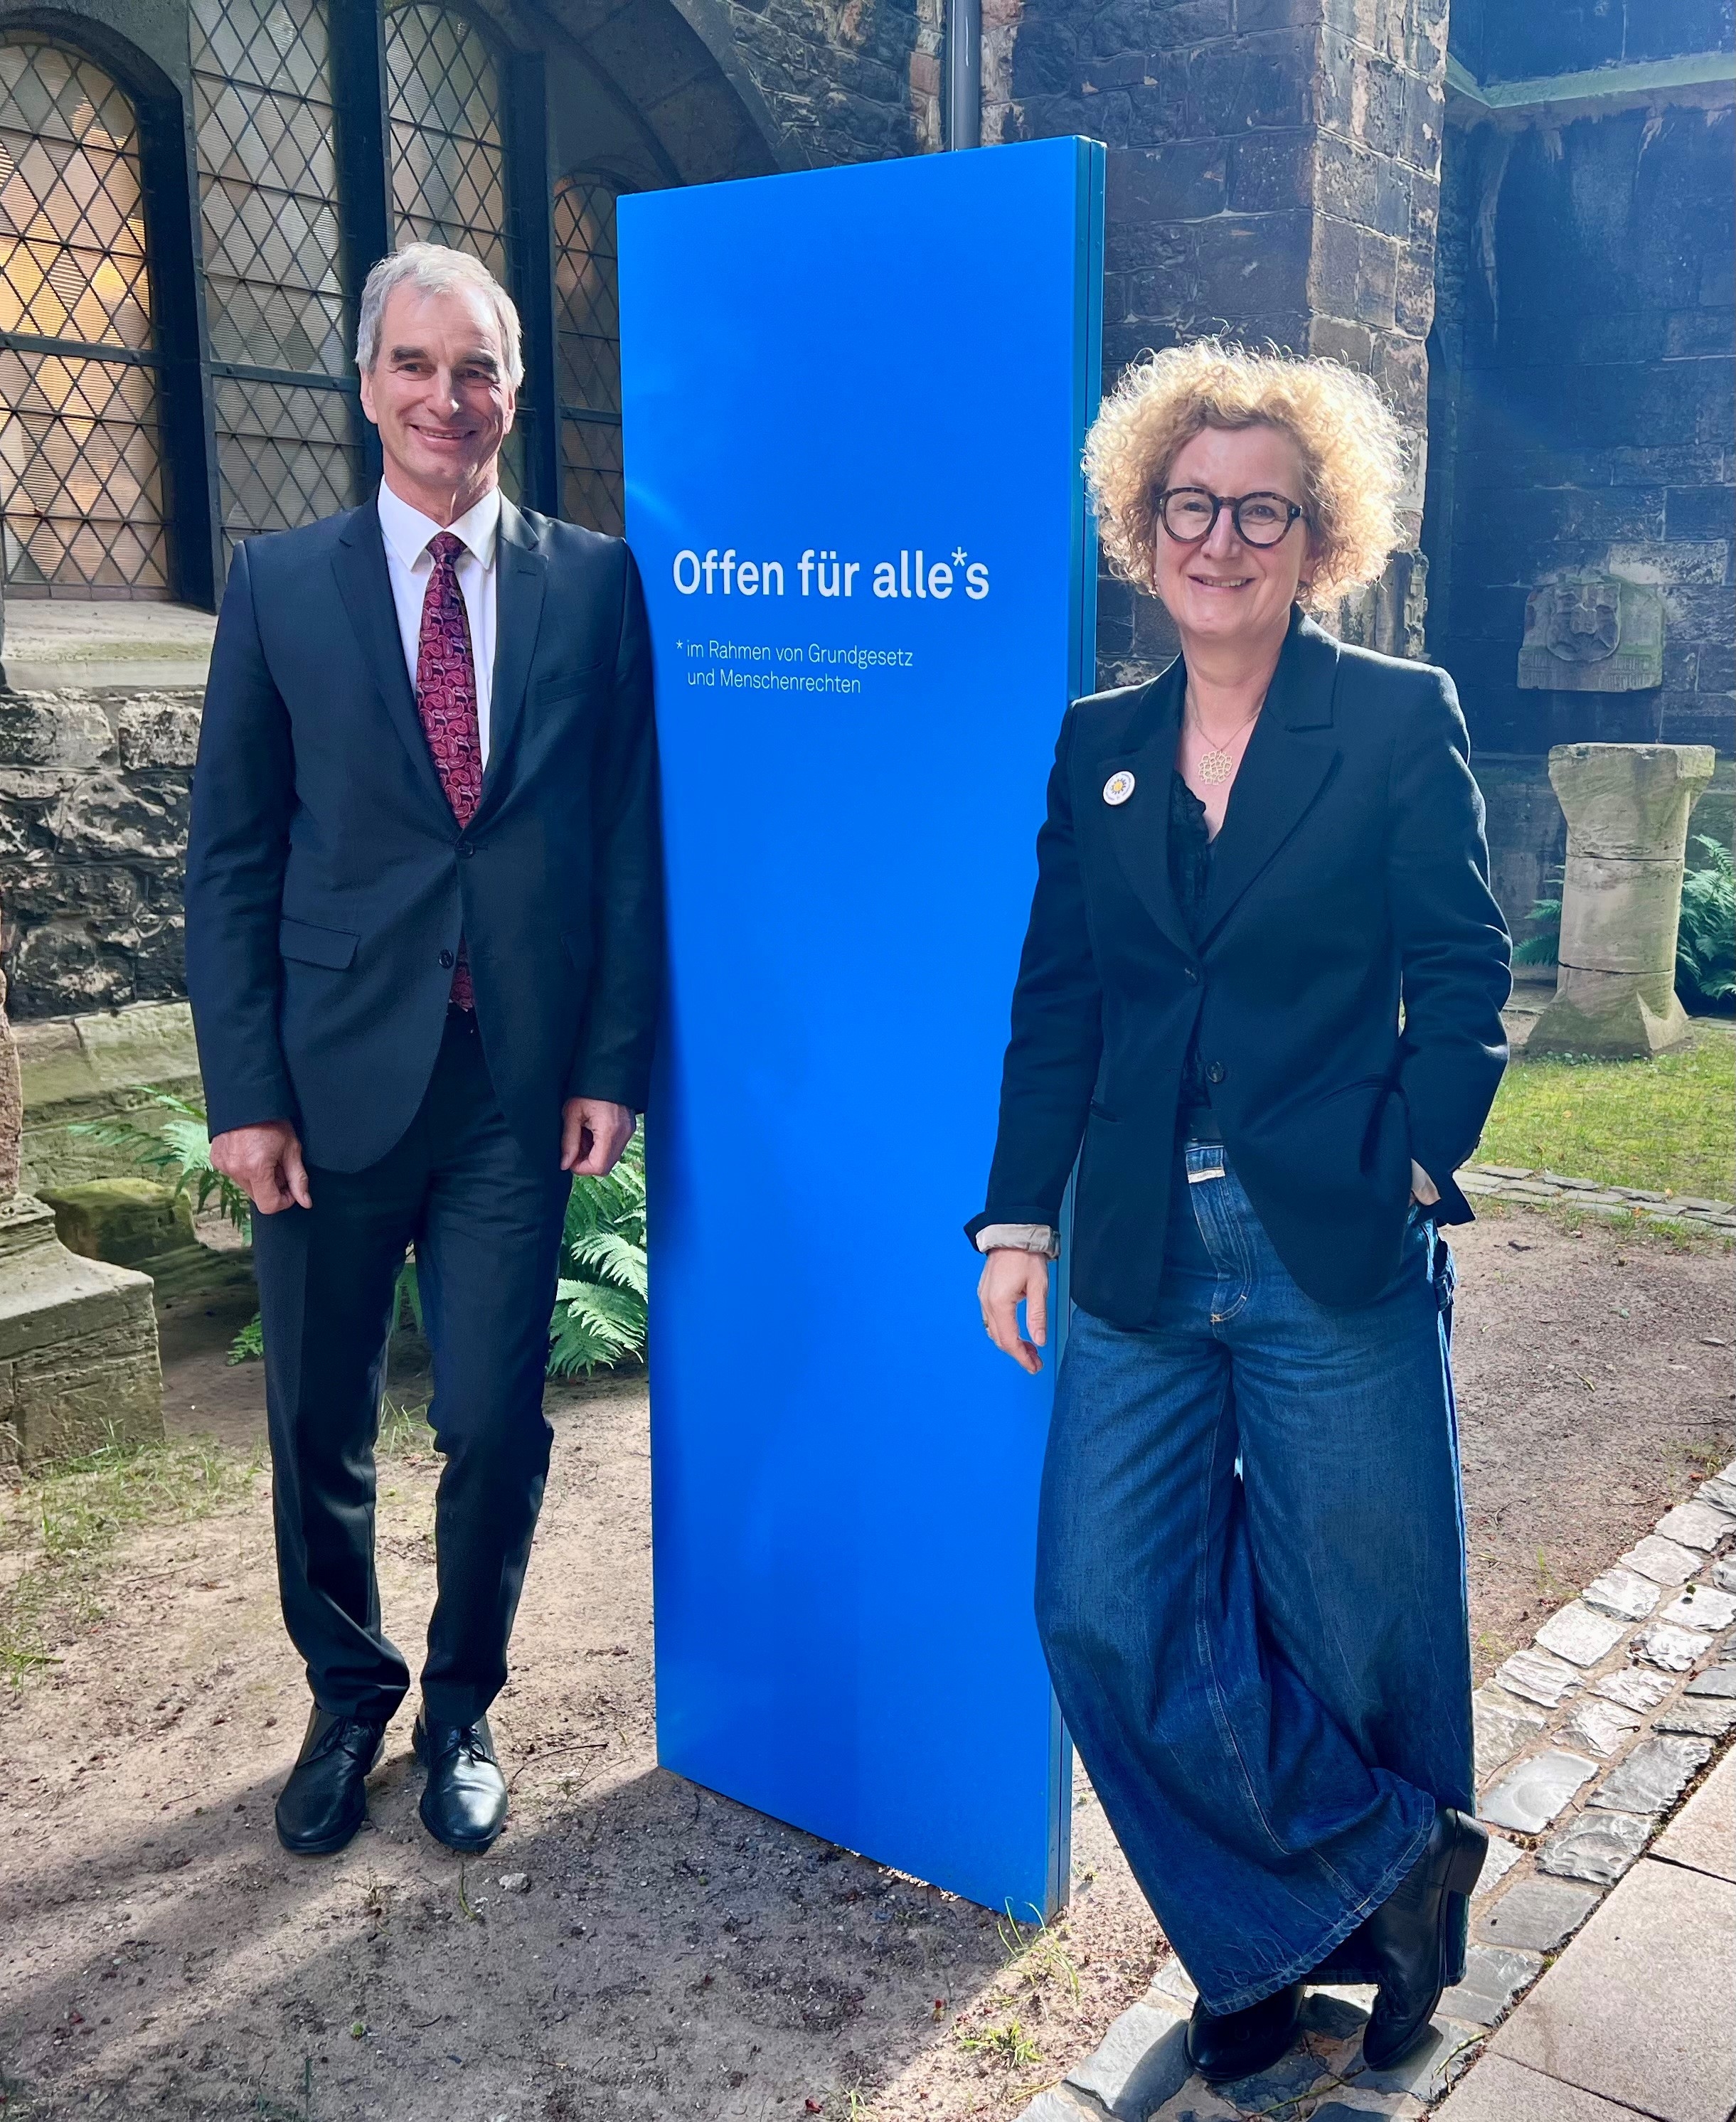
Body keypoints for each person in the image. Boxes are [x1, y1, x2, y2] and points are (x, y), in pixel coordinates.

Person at [970, 340, 1511, 2081]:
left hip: (1324, 1232)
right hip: (1136, 1231)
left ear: (1317, 534)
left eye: (1261, 511)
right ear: (1144, 528)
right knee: (1102, 1605)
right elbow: (1061, 994)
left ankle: (1315, 1952)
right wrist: (1016, 1219)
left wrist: (1413, 1163)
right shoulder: (1100, 743)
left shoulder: (1395, 717)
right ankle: (1367, 1880)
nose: (1221, 539)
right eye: (1190, 506)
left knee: (1356, 1614)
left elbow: (1466, 970)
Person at [185, 243, 660, 1860]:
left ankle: (462, 1704)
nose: (444, 398)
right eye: (414, 365)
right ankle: (347, 1697)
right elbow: (231, 857)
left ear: (512, 393)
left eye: (476, 371)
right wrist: (245, 1094)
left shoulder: (594, 584)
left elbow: (624, 840)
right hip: (327, 1087)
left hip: (513, 1091)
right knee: (318, 1419)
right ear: (367, 382)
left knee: (496, 1418)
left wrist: (610, 1061)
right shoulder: (278, 585)